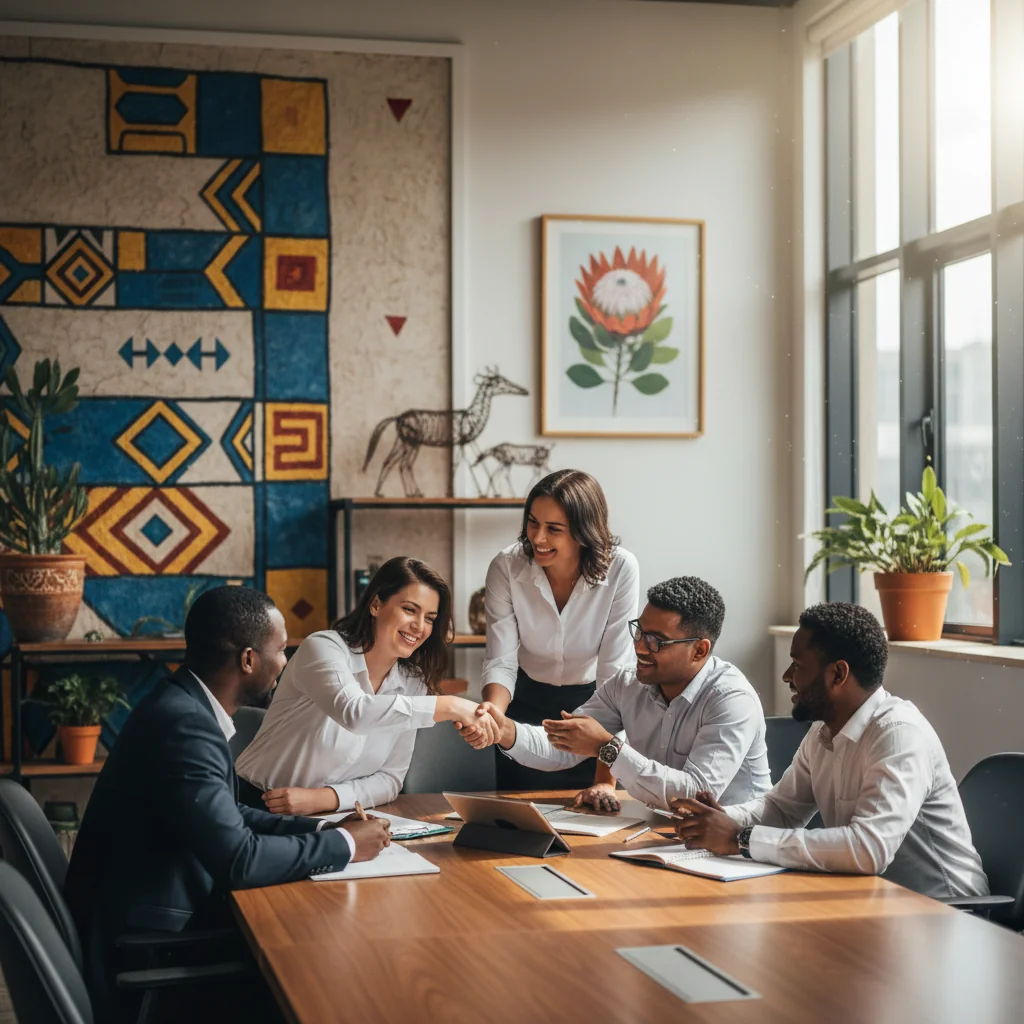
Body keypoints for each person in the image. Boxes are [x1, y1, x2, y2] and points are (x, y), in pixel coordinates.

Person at [64, 586, 391, 1018]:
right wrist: (346, 847)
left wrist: (321, 828)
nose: (285, 663)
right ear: (249, 659)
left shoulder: (182, 705)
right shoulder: (187, 726)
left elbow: (229, 816)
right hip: (149, 946)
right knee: (321, 971)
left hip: (148, 918)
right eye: (281, 650)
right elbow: (239, 860)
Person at [671, 602, 989, 900]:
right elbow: (782, 810)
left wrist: (741, 838)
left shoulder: (898, 735)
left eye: (797, 665)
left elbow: (869, 849)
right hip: (875, 902)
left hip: (945, 911)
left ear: (838, 674)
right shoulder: (823, 731)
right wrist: (718, 820)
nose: (787, 677)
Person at [236, 557, 500, 815]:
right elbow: (355, 712)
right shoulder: (324, 648)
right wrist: (452, 704)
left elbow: (390, 779)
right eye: (409, 609)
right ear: (375, 604)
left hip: (329, 815)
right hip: (253, 803)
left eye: (430, 618)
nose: (419, 627)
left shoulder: (413, 683)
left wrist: (324, 799)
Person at [485, 577, 771, 810]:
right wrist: (505, 730)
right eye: (639, 631)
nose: (640, 647)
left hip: (741, 850)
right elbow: (564, 745)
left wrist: (607, 748)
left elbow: (693, 796)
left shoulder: (731, 700)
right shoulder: (627, 683)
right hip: (666, 836)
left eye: (656, 641)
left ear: (700, 650)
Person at [470, 469, 640, 792]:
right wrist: (493, 715)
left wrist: (605, 781)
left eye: (553, 529)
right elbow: (501, 660)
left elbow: (615, 677)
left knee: (595, 829)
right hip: (523, 705)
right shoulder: (506, 567)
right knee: (520, 823)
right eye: (533, 522)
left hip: (596, 711)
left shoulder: (621, 569)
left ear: (583, 532)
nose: (537, 538)